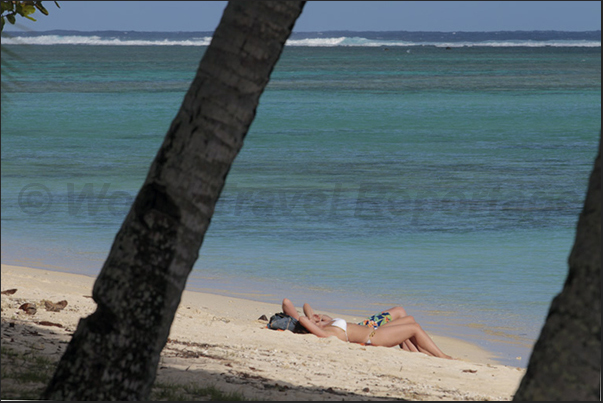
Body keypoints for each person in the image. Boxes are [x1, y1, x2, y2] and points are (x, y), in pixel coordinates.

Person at [280, 298, 450, 359]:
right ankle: (442, 356)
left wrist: (313, 318)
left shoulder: (324, 323)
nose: (316, 316)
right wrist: (308, 320)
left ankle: (422, 354)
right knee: (414, 327)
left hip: (373, 331)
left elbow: (306, 305)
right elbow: (294, 309)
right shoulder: (325, 333)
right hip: (374, 337)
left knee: (409, 319)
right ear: (307, 326)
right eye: (311, 320)